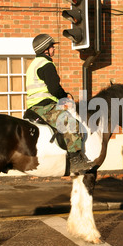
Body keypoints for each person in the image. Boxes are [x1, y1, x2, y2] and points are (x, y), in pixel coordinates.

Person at [25, 34, 93, 172]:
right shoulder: (47, 64)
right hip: (44, 106)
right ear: (45, 49)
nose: (54, 48)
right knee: (71, 123)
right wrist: (65, 96)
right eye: (51, 46)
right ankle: (75, 160)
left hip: (34, 105)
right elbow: (54, 88)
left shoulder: (33, 64)